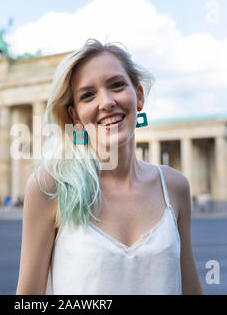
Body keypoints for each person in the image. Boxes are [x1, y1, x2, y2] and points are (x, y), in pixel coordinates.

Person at [16, 39, 203, 295]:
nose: (106, 102)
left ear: (138, 96)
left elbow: (190, 289)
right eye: (87, 95)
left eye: (116, 85)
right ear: (75, 116)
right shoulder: (49, 187)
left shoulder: (174, 186)